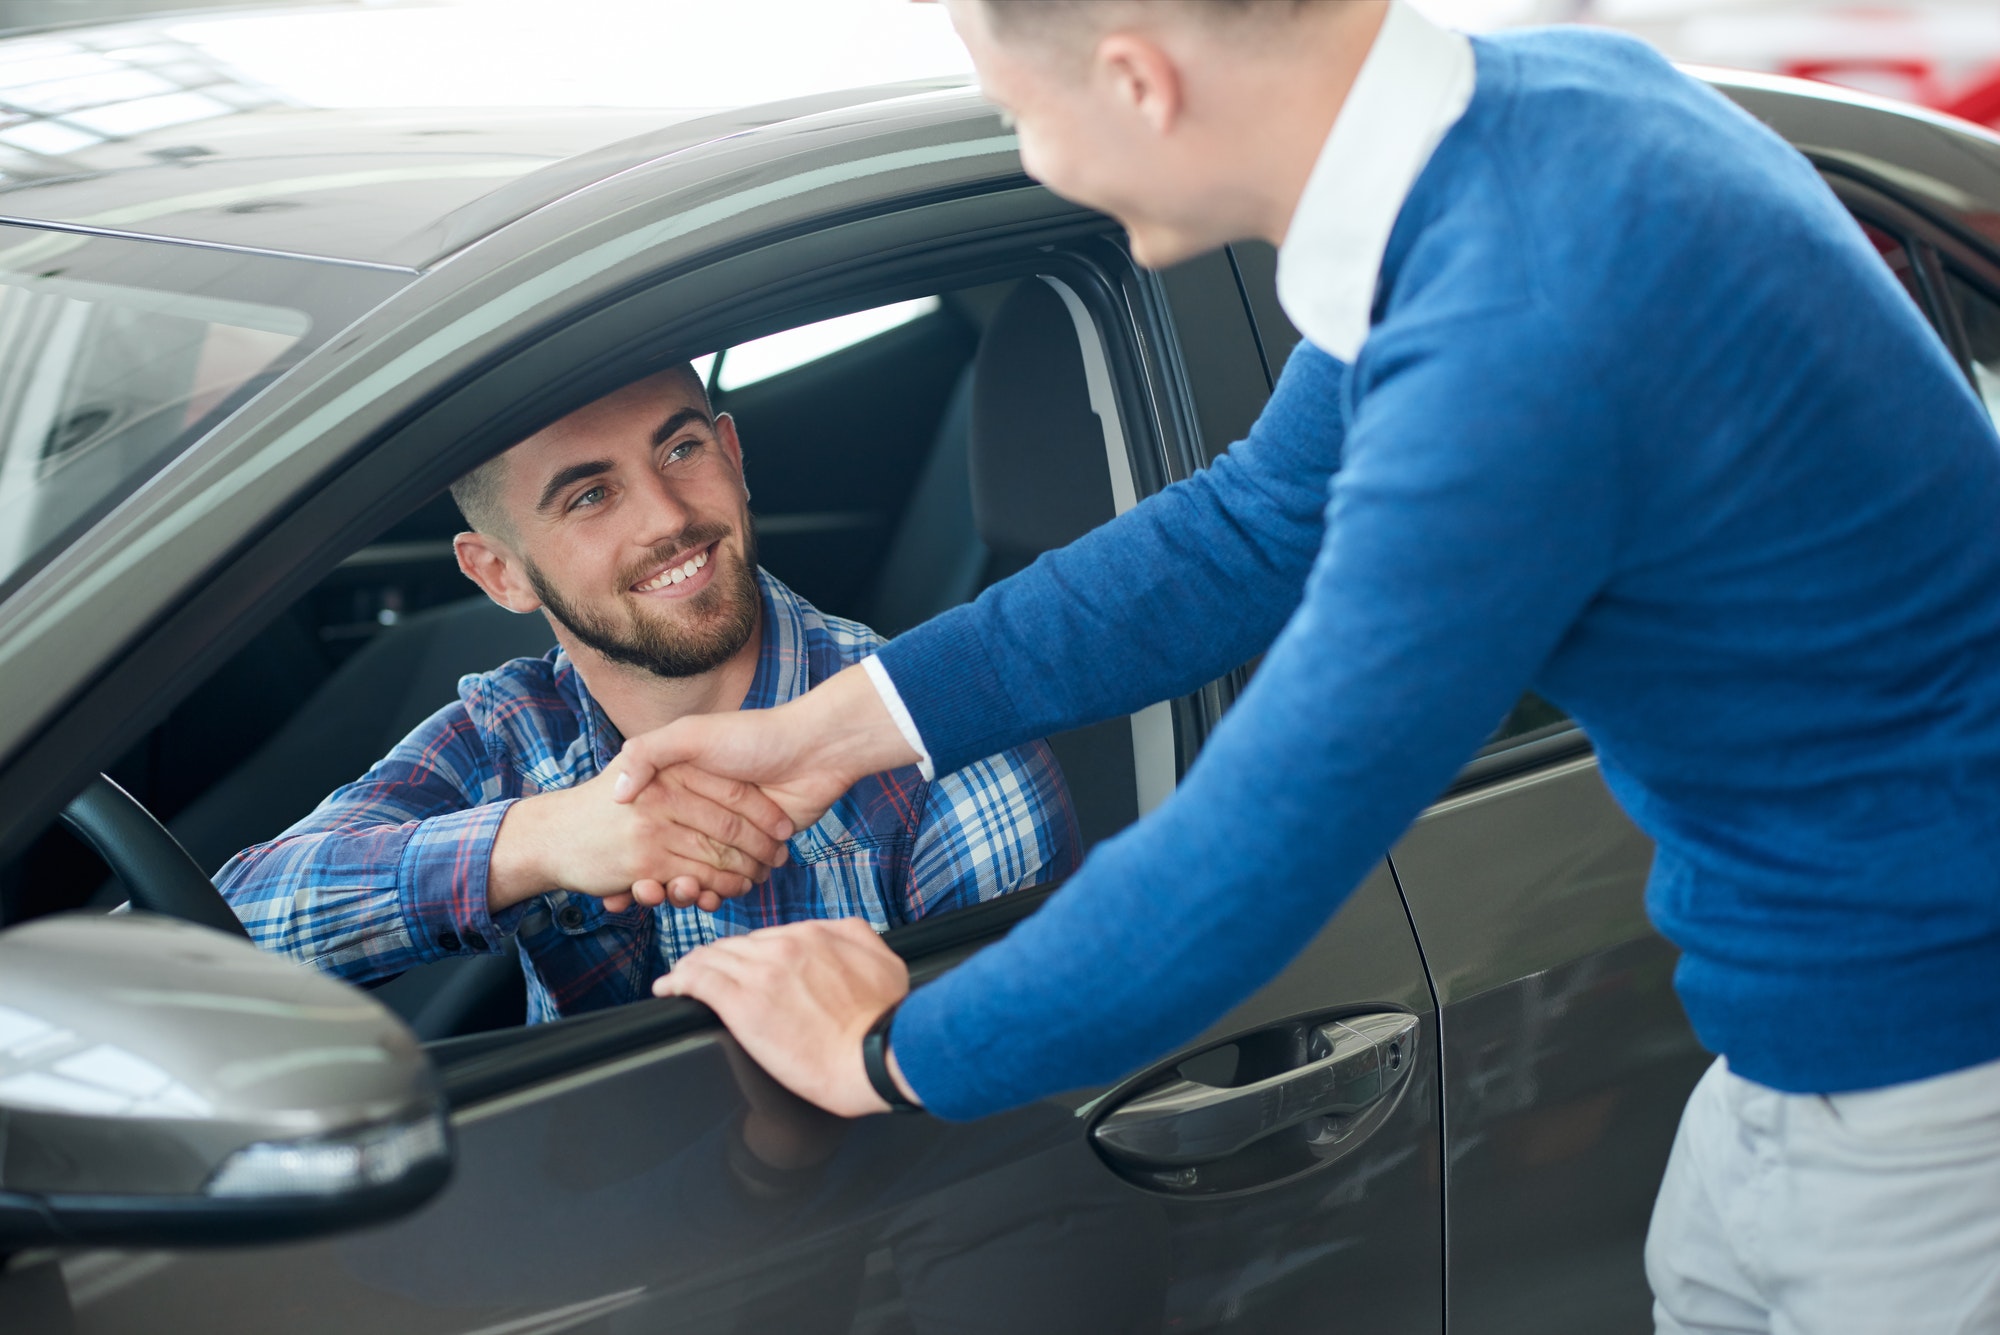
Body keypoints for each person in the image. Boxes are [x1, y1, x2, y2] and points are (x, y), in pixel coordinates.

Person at [609, 2, 2000, 1330]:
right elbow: (1255, 523)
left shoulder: (1518, 329)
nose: (1029, 152)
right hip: (1811, 1032)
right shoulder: (1538, 125)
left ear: (1140, 82)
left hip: (1932, 1082)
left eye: (1020, 109)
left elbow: (1272, 834)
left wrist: (883, 1054)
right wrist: (822, 736)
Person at [218, 363, 1076, 1023]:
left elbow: (1012, 1127)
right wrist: (539, 841)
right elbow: (222, 943)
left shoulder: (944, 760)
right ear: (501, 573)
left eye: (681, 449)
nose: (665, 516)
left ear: (733, 457)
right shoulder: (513, 731)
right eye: (591, 495)